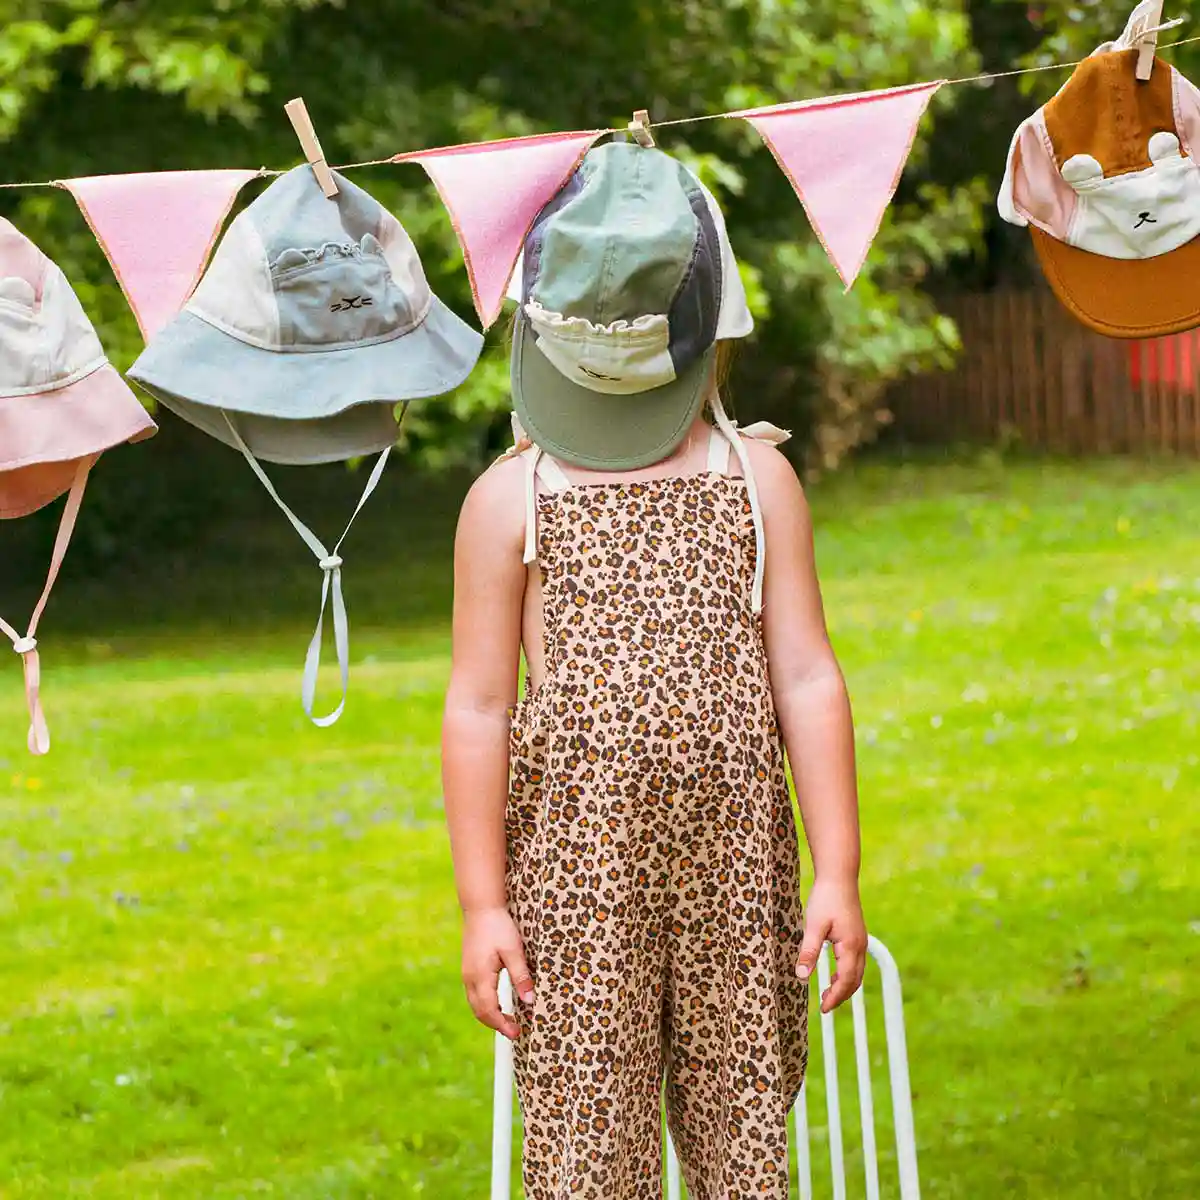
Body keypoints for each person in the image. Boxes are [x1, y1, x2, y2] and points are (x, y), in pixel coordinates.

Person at [441, 139, 866, 1200]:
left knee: (743, 1142)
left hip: (738, 869)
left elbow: (807, 677)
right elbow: (480, 706)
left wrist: (839, 870)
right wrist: (483, 905)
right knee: (587, 1147)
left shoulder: (757, 478)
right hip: (578, 880)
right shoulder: (511, 499)